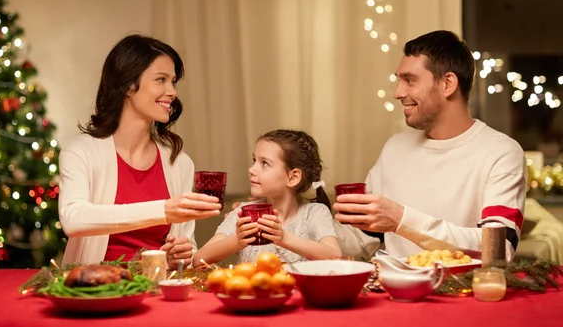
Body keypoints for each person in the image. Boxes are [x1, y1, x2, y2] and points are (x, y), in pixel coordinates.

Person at [335, 30, 526, 261]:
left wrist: (402, 220)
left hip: (462, 293)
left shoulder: (501, 153)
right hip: (392, 291)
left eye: (410, 80)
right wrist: (297, 222)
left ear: (447, 83)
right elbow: (361, 240)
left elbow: (498, 250)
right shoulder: (395, 147)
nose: (398, 93)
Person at [58, 34, 221, 269]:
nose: (172, 91)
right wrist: (164, 210)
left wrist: (178, 256)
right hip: (93, 290)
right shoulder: (80, 152)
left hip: (156, 290)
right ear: (127, 85)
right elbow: (73, 219)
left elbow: (186, 251)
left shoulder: (180, 163)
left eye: (173, 81)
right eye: (161, 80)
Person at [194, 130, 342, 265]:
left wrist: (283, 238)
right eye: (254, 161)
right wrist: (237, 241)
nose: (251, 170)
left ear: (293, 177)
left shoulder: (314, 213)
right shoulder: (243, 212)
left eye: (264, 163)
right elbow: (198, 260)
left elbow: (335, 257)